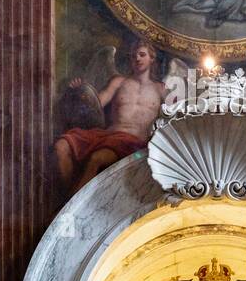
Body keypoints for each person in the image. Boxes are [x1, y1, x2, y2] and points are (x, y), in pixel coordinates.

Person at [54, 39, 167, 191]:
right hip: (107, 136)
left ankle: (72, 206)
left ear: (151, 58)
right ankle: (68, 199)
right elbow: (95, 104)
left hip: (134, 144)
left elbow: (173, 117)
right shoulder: (119, 81)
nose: (137, 59)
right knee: (61, 146)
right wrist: (80, 91)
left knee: (97, 158)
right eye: (134, 56)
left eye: (142, 55)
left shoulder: (160, 89)